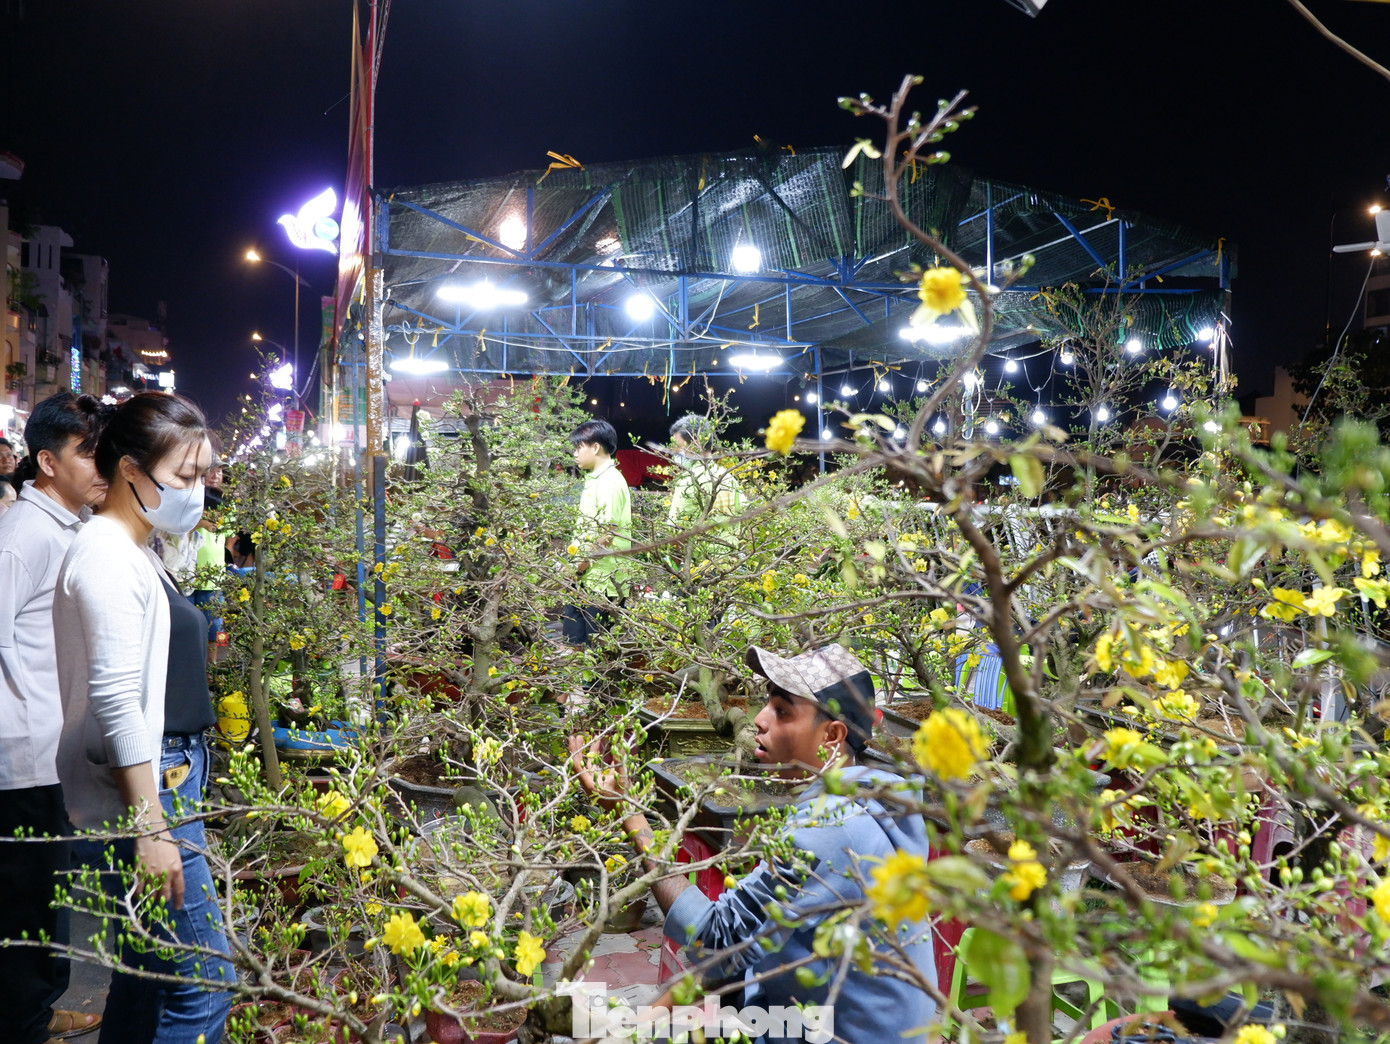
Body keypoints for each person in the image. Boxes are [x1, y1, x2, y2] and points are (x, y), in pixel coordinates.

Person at [572, 643, 938, 1044]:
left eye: (782, 711)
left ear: (832, 735)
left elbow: (717, 936)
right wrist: (638, 1025)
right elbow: (737, 951)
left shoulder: (831, 828)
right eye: (767, 704)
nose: (760, 719)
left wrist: (630, 814)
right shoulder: (861, 796)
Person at [54, 392, 234, 1043]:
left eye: (203, 474)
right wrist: (151, 827)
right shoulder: (106, 553)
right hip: (149, 787)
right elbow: (115, 698)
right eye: (184, 476)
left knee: (144, 978)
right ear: (130, 470)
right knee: (204, 986)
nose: (197, 490)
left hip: (164, 776)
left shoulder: (136, 548)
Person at [0, 392, 108, 1044]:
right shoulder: (24, 536)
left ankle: (34, 1011)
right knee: (26, 898)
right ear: (46, 461)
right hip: (25, 753)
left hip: (52, 749)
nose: (102, 465)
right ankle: (23, 1022)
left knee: (44, 892)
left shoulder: (68, 526)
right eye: (87, 452)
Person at [563, 418, 634, 645]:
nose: (575, 454)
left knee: (598, 650)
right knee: (575, 643)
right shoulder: (596, 478)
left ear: (595, 447)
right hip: (584, 577)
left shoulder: (609, 481)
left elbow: (607, 533)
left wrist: (579, 566)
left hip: (603, 581)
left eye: (578, 447)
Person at [665, 413, 745, 564]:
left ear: (696, 442)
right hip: (729, 562)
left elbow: (677, 532)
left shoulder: (689, 480)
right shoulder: (727, 476)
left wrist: (675, 568)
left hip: (700, 566)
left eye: (679, 446)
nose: (675, 451)